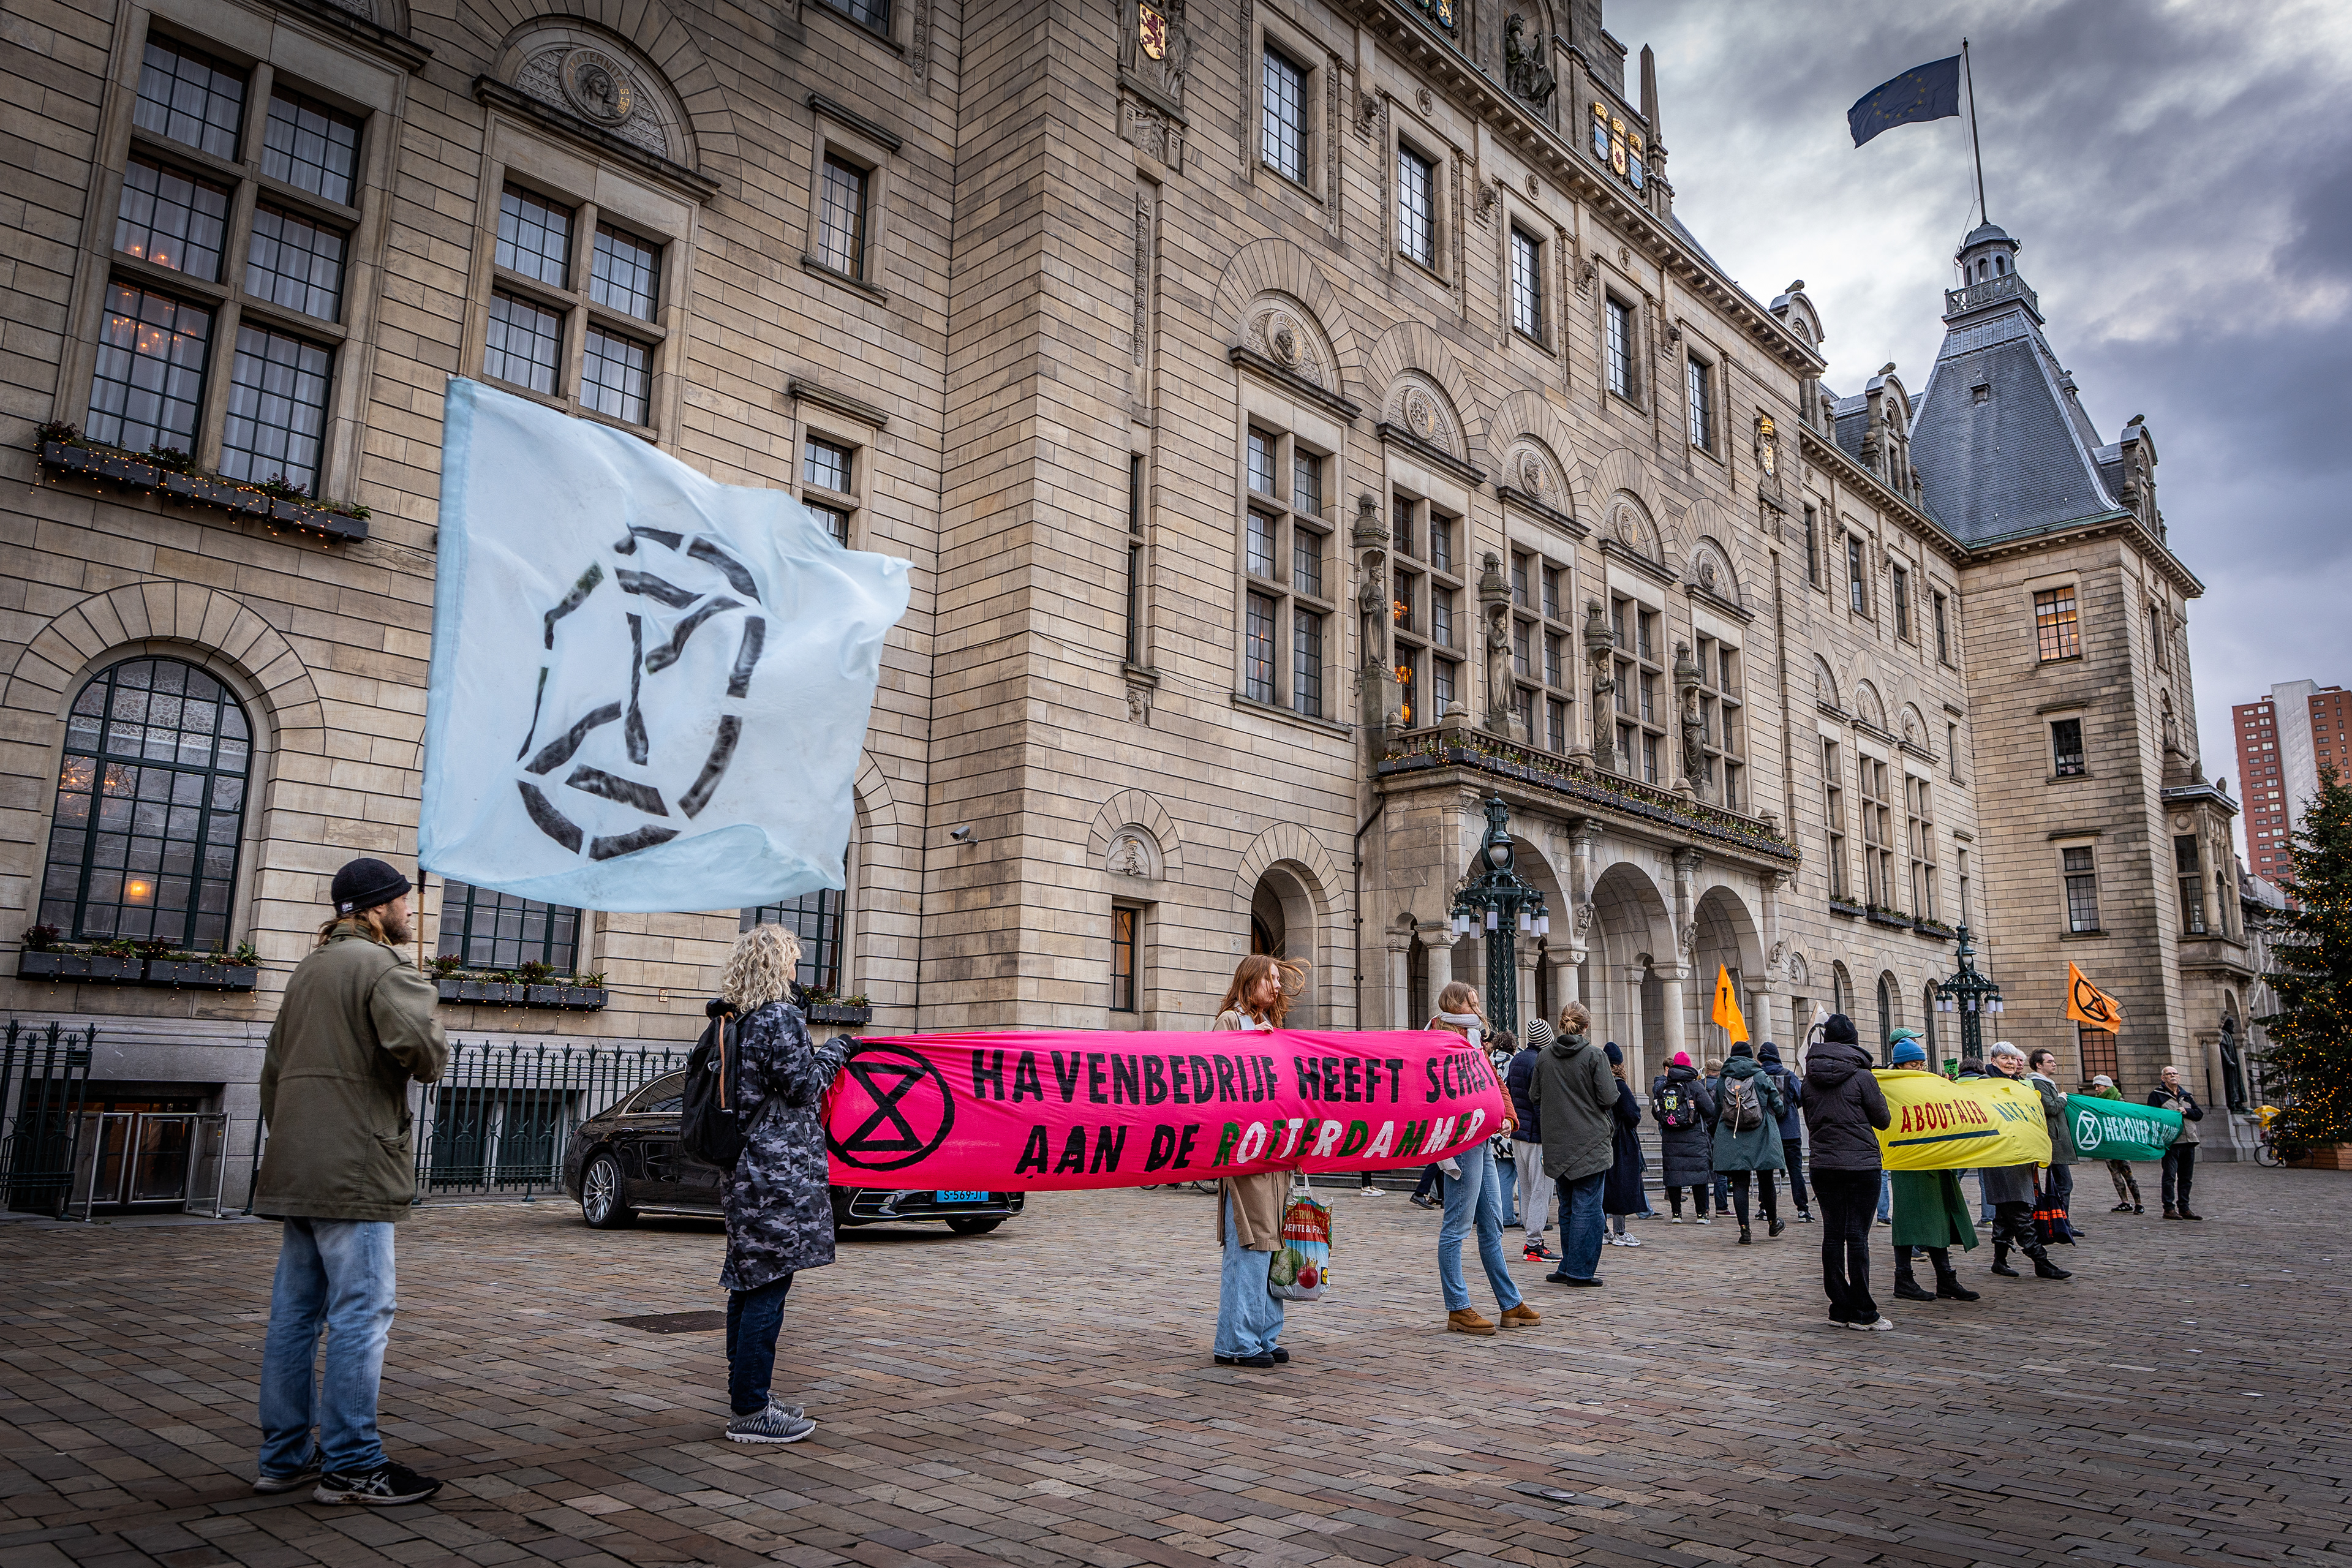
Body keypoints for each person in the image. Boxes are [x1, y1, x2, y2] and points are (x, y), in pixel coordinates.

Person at [252, 858, 449, 1504]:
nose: (409, 909)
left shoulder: (309, 969)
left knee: (295, 1317)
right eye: (402, 900)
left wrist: (297, 1142)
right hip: (355, 1167)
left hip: (300, 1163)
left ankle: (284, 1457)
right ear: (376, 909)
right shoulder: (383, 967)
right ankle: (353, 1464)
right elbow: (425, 1056)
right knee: (363, 1314)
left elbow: (272, 1074)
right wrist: (420, 994)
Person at [711, 925, 850, 1442]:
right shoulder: (779, 1017)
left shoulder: (735, 1020)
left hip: (744, 1170)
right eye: (792, 961)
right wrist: (836, 1051)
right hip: (777, 1174)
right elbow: (804, 1087)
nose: (797, 970)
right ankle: (751, 1410)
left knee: (747, 1283)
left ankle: (749, 1395)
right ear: (777, 967)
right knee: (768, 1287)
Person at [1425, 982, 1537, 1334]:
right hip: (1461, 1139)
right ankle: (1458, 1307)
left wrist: (1507, 1115)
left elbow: (1494, 1083)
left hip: (1482, 1138)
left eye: (1477, 1002)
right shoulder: (1439, 1039)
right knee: (1457, 1227)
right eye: (1470, 1003)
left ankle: (1510, 1303)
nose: (1477, 1008)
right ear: (1453, 1005)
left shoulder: (1474, 1039)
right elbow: (1438, 1091)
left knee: (1492, 1226)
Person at [1212, 954, 1308, 1366]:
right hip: (1246, 1153)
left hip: (1275, 1151)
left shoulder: (1270, 1026)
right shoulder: (1231, 1022)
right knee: (1250, 1244)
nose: (1277, 985)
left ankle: (1265, 1334)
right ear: (1250, 981)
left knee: (1272, 1244)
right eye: (1270, 978)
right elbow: (1219, 1080)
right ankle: (1236, 1342)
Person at [1801, 1013, 1893, 1329]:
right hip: (1860, 1164)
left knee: (1832, 1235)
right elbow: (1883, 1120)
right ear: (1854, 1042)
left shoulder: (1809, 1077)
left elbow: (1811, 1119)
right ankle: (1864, 1311)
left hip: (1823, 1163)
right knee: (1857, 1237)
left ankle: (1839, 1307)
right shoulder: (1863, 1076)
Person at [1883, 1037, 1981, 1303]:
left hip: (1937, 1159)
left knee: (1939, 1217)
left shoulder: (1929, 1082)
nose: (1919, 1068)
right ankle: (1904, 1278)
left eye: (1921, 1063)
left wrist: (1947, 1090)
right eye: (1913, 1064)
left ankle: (1945, 1278)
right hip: (1908, 1161)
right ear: (1899, 1065)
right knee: (1907, 1222)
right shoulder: (1891, 1087)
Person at [1532, 1001, 1619, 1288]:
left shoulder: (1545, 1057)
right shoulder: (1594, 1055)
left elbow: (1535, 1096)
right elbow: (1609, 1097)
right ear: (1586, 1026)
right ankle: (1579, 1271)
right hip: (1590, 1142)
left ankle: (1569, 1265)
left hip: (1558, 1144)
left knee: (1568, 1207)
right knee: (1588, 1209)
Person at [1983, 1043, 2071, 1281]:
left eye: (2013, 1058)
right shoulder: (1984, 1084)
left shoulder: (2020, 1084)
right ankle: (2041, 1261)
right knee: (2020, 1210)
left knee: (2005, 1212)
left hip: (2021, 1154)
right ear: (1993, 1060)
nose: (2011, 1062)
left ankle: (1999, 1261)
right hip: (2001, 1156)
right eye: (2005, 1058)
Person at [1709, 1041, 1785, 1243]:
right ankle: (1773, 1224)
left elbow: (1717, 1109)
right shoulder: (1760, 1075)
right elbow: (1778, 1106)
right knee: (1766, 1180)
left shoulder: (1723, 1078)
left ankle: (1745, 1232)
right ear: (1751, 1056)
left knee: (1740, 1183)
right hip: (1762, 1133)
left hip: (1732, 1134)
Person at [1509, 1021, 1557, 1263]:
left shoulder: (1518, 1059)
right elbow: (1541, 1103)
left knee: (1527, 1187)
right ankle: (1534, 1243)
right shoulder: (1540, 1062)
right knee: (1541, 1189)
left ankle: (1531, 1237)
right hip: (1536, 1135)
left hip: (1519, 1133)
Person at [1650, 1050, 1716, 1223]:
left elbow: (1656, 1113)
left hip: (1671, 1138)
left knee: (1674, 1176)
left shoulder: (1664, 1086)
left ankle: (1676, 1214)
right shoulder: (1696, 1086)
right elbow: (1711, 1110)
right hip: (1695, 1138)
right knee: (1698, 1176)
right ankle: (1701, 1214)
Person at [2026, 1048, 2084, 1238]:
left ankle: (2061, 1221)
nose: (2054, 1064)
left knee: (2060, 1185)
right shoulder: (2038, 1083)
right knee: (2064, 1185)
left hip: (2055, 1140)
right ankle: (2062, 1223)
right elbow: (2050, 1108)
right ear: (2038, 1065)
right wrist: (2062, 1099)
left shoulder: (2046, 1083)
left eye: (2054, 1061)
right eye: (2049, 1061)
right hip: (2053, 1141)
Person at [1757, 1041, 1811, 1223]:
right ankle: (1802, 1210)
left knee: (1765, 1174)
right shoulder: (1790, 1075)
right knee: (1795, 1171)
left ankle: (1764, 1208)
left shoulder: (1758, 1076)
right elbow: (1801, 1099)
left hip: (1766, 1132)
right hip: (1790, 1132)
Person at [1601, 1042, 1646, 1248]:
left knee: (1603, 1186)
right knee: (1620, 1185)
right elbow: (1633, 1114)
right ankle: (1619, 1232)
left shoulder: (1598, 1083)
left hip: (1601, 1140)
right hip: (1621, 1141)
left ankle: (1603, 1230)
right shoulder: (1619, 1085)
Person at [2149, 1064, 2206, 1219]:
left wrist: (2186, 1111)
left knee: (2186, 1178)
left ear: (2179, 1077)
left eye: (2175, 1073)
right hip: (2171, 1143)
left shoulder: (2186, 1096)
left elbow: (2199, 1114)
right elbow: (2153, 1117)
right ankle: (2168, 1209)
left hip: (2189, 1141)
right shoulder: (2157, 1095)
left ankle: (2184, 1208)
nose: (2173, 1076)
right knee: (2169, 1177)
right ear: (2163, 1078)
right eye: (2169, 1074)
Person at [2092, 1075, 2144, 1213]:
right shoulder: (2097, 1102)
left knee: (2127, 1172)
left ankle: (2139, 1203)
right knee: (2115, 1173)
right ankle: (2125, 1202)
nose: (2096, 1090)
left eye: (2099, 1086)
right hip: (2108, 1143)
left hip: (2120, 1144)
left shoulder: (2120, 1101)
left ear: (2107, 1087)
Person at [1703, 1056, 1732, 1215]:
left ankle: (1704, 1208)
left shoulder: (1699, 1086)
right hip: (1719, 1132)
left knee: (1704, 1173)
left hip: (1703, 1133)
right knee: (1721, 1172)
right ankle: (1721, 1206)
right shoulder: (1723, 1086)